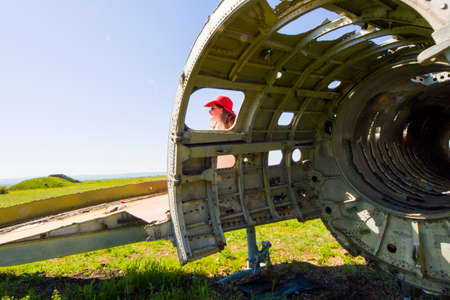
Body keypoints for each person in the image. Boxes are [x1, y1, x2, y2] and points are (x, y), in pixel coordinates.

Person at [204, 95, 236, 168]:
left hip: (230, 172)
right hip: (217, 173)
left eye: (212, 108)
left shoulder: (234, 132)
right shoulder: (214, 131)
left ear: (222, 110)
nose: (209, 112)